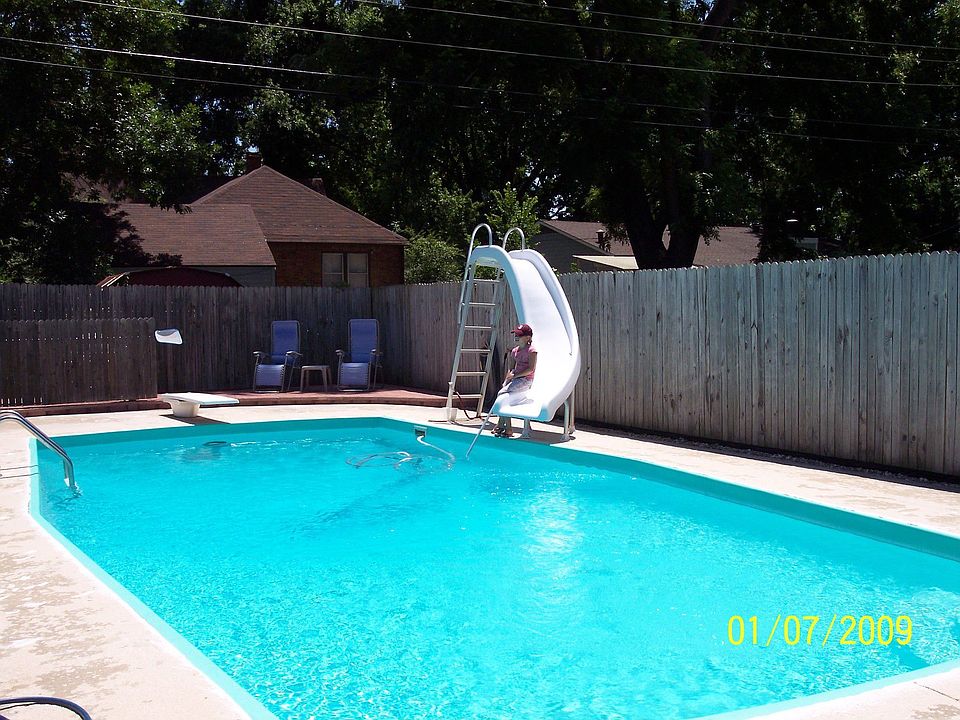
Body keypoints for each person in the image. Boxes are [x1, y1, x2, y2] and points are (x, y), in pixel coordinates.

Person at [493, 323, 537, 437]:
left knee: (501, 394)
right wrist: (508, 376)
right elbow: (513, 367)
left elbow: (531, 369)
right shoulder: (515, 351)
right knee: (503, 396)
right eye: (516, 334)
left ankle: (504, 426)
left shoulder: (532, 351)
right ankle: (505, 427)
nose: (516, 337)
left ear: (528, 337)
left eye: (520, 335)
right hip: (516, 379)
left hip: (526, 380)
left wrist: (515, 376)